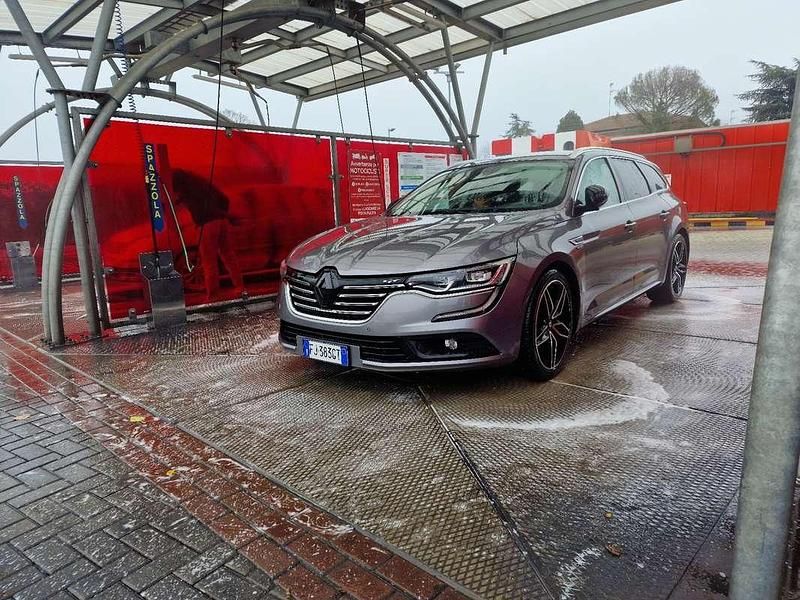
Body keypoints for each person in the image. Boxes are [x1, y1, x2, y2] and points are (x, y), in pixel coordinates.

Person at [171, 169, 244, 302]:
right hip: (221, 221)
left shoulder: (187, 190)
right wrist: (222, 213)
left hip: (206, 224)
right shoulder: (202, 183)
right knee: (228, 256)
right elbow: (224, 199)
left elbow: (186, 203)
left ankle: (213, 295)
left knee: (209, 261)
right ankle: (240, 287)